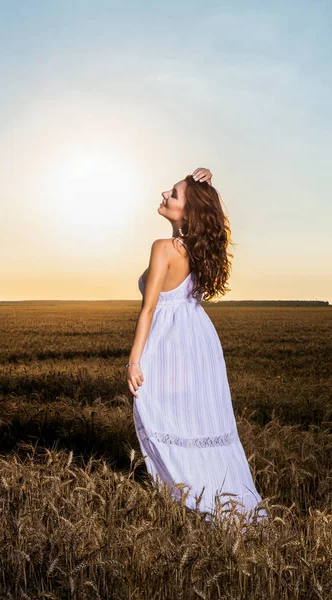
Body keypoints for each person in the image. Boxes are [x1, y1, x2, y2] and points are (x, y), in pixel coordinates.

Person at [127, 167, 268, 524]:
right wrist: (198, 183)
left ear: (187, 212)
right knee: (200, 423)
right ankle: (228, 505)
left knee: (160, 414)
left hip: (169, 344)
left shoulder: (164, 248)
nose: (163, 195)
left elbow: (149, 310)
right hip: (199, 344)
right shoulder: (199, 249)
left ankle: (194, 500)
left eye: (172, 195)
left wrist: (133, 361)